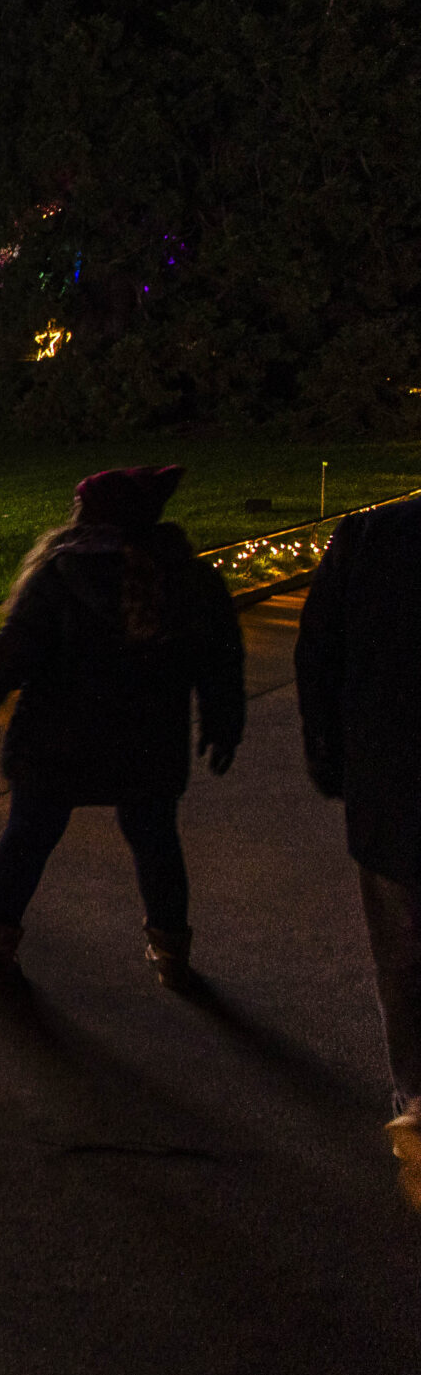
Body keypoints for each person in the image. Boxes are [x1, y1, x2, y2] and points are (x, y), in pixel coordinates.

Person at [0, 467, 243, 992]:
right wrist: (223, 719)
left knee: (27, 835)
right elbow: (219, 659)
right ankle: (171, 955)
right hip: (147, 739)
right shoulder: (188, 577)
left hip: (56, 737)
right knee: (155, 840)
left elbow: (22, 638)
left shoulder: (60, 572)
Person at [293, 498, 421, 1212]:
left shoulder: (370, 535)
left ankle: (415, 1095)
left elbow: (318, 649)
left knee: (401, 956)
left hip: (391, 787)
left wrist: (332, 753)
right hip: (389, 784)